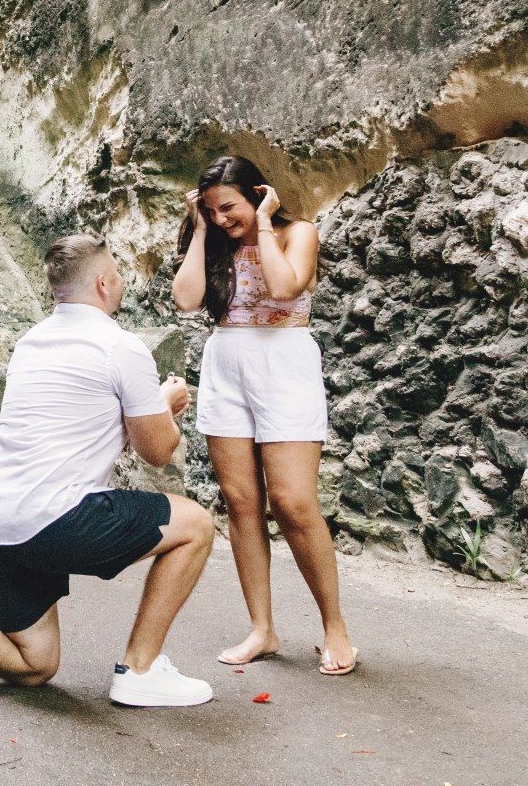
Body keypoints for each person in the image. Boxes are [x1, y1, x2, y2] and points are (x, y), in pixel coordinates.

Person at [0, 234, 218, 708]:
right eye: (116, 273)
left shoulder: (31, 341)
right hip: (56, 520)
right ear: (102, 283)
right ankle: (142, 669)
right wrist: (165, 404)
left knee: (35, 664)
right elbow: (156, 451)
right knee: (195, 524)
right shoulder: (120, 346)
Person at [173, 155, 358, 675]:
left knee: (294, 502)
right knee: (240, 502)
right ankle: (263, 629)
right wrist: (200, 232)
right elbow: (187, 300)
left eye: (228, 207)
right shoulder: (213, 241)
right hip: (227, 362)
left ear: (257, 194)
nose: (223, 218)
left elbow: (284, 287)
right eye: (212, 210)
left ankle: (334, 627)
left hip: (284, 360)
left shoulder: (298, 231)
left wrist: (260, 224)